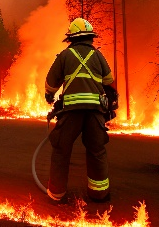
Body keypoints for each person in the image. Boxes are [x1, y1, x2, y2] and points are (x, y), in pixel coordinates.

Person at [44, 17, 115, 203]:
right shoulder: (98, 56)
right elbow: (109, 82)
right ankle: (99, 194)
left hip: (72, 112)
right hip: (95, 112)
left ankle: (57, 194)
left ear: (71, 38)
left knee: (61, 149)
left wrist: (49, 96)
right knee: (96, 150)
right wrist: (110, 103)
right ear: (90, 37)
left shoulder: (65, 56)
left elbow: (50, 83)